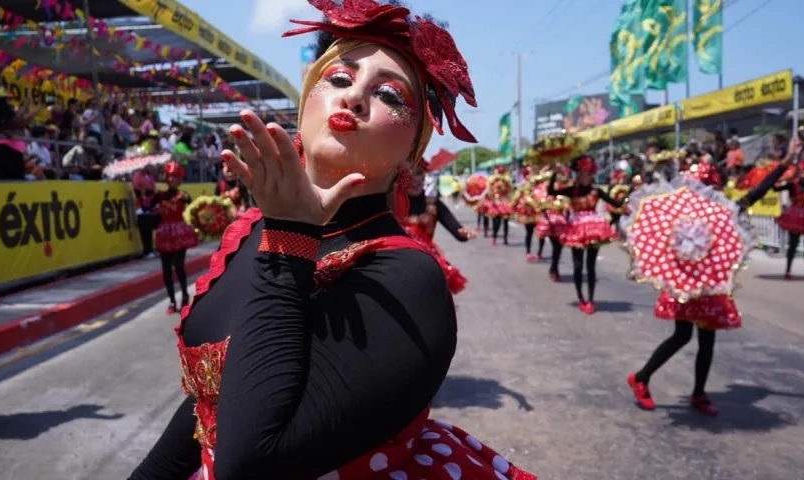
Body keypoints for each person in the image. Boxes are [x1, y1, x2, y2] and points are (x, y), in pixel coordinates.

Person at [129, 2, 535, 479]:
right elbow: (207, 406)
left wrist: (291, 237)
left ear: (412, 151)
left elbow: (250, 462)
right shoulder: (252, 231)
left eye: (388, 95)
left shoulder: (408, 280)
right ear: (306, 105)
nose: (354, 97)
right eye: (339, 79)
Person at [626, 137, 801, 416]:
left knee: (708, 340)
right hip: (683, 283)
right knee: (682, 336)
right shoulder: (676, 211)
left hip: (711, 285)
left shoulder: (722, 212)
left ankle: (699, 393)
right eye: (701, 186)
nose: (705, 191)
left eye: (709, 187)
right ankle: (641, 377)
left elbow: (757, 192)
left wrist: (787, 163)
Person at [548, 155, 624, 314]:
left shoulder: (597, 191)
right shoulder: (572, 190)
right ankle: (581, 298)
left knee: (591, 266)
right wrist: (554, 174)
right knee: (577, 266)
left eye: (589, 174)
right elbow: (551, 191)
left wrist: (630, 194)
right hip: (576, 229)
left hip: (595, 229)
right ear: (578, 175)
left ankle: (590, 299)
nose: (587, 177)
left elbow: (616, 204)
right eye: (584, 174)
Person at [402, 159, 475, 294]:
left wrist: (464, 232)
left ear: (424, 175)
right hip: (397, 266)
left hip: (425, 264)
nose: (414, 179)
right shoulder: (390, 203)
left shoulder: (434, 204)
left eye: (418, 173)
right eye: (408, 174)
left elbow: (457, 231)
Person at [154, 162, 199, 314]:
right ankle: (172, 301)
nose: (173, 179)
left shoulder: (184, 196)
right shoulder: (159, 195)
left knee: (179, 266)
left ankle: (185, 294)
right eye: (171, 176)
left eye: (176, 177)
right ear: (166, 178)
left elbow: (193, 208)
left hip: (179, 233)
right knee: (166, 270)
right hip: (164, 234)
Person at [535, 166, 570, 281]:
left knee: (559, 246)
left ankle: (554, 267)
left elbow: (568, 203)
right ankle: (554, 269)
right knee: (555, 245)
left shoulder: (563, 187)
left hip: (561, 220)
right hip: (549, 219)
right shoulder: (543, 188)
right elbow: (539, 202)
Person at [512, 166, 545, 262]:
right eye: (530, 174)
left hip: (539, 212)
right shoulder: (523, 186)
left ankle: (540, 252)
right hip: (528, 213)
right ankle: (528, 252)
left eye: (533, 174)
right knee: (529, 233)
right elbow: (516, 198)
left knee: (542, 233)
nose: (531, 176)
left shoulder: (540, 185)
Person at [484, 166, 514, 245]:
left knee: (505, 222)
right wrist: (493, 199)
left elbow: (511, 191)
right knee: (496, 222)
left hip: (505, 203)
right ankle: (494, 236)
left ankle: (505, 238)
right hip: (496, 203)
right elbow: (489, 190)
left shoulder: (507, 180)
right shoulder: (493, 180)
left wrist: (509, 199)